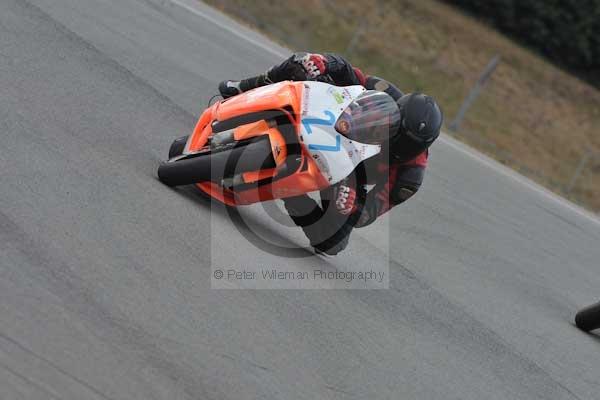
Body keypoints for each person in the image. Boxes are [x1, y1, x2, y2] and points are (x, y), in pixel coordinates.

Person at [219, 52, 443, 255]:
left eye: (410, 144)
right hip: (334, 124)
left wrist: (354, 207)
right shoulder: (388, 94)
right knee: (303, 63)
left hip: (348, 172)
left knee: (333, 242)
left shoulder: (409, 177)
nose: (401, 142)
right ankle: (247, 87)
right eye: (399, 130)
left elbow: (373, 209)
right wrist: (324, 63)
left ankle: (290, 192)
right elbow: (348, 71)